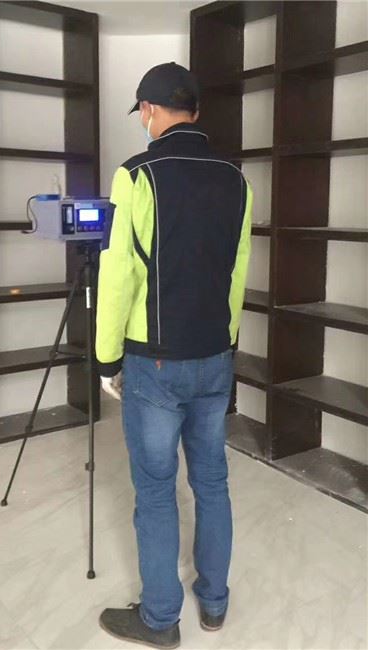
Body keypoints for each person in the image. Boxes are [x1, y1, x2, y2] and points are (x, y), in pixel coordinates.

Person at [95, 61, 253, 649]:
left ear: (149, 111)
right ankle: (215, 602)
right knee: (212, 481)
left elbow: (117, 275)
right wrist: (224, 344)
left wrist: (106, 358)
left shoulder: (136, 175)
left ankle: (161, 619)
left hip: (155, 363)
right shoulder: (237, 179)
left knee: (157, 491)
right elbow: (237, 273)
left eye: (142, 111)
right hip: (215, 354)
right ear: (197, 111)